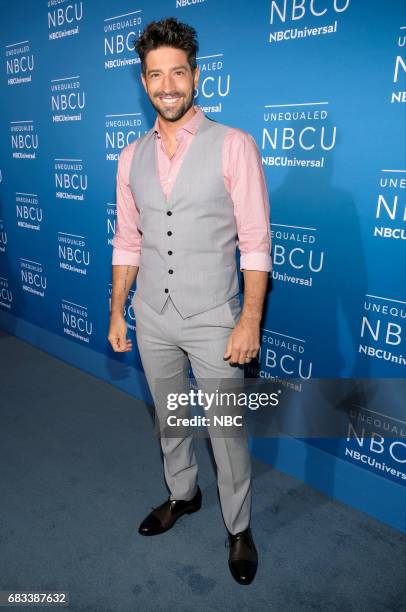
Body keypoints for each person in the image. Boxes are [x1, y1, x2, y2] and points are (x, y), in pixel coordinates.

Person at [108, 17, 272, 586]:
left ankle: (239, 526)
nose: (167, 85)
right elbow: (128, 239)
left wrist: (249, 320)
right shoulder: (130, 157)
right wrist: (117, 310)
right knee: (171, 420)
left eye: (178, 72)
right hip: (152, 314)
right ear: (144, 81)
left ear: (195, 77)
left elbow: (255, 242)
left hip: (214, 318)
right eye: (156, 75)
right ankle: (183, 495)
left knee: (226, 431)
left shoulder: (234, 145)